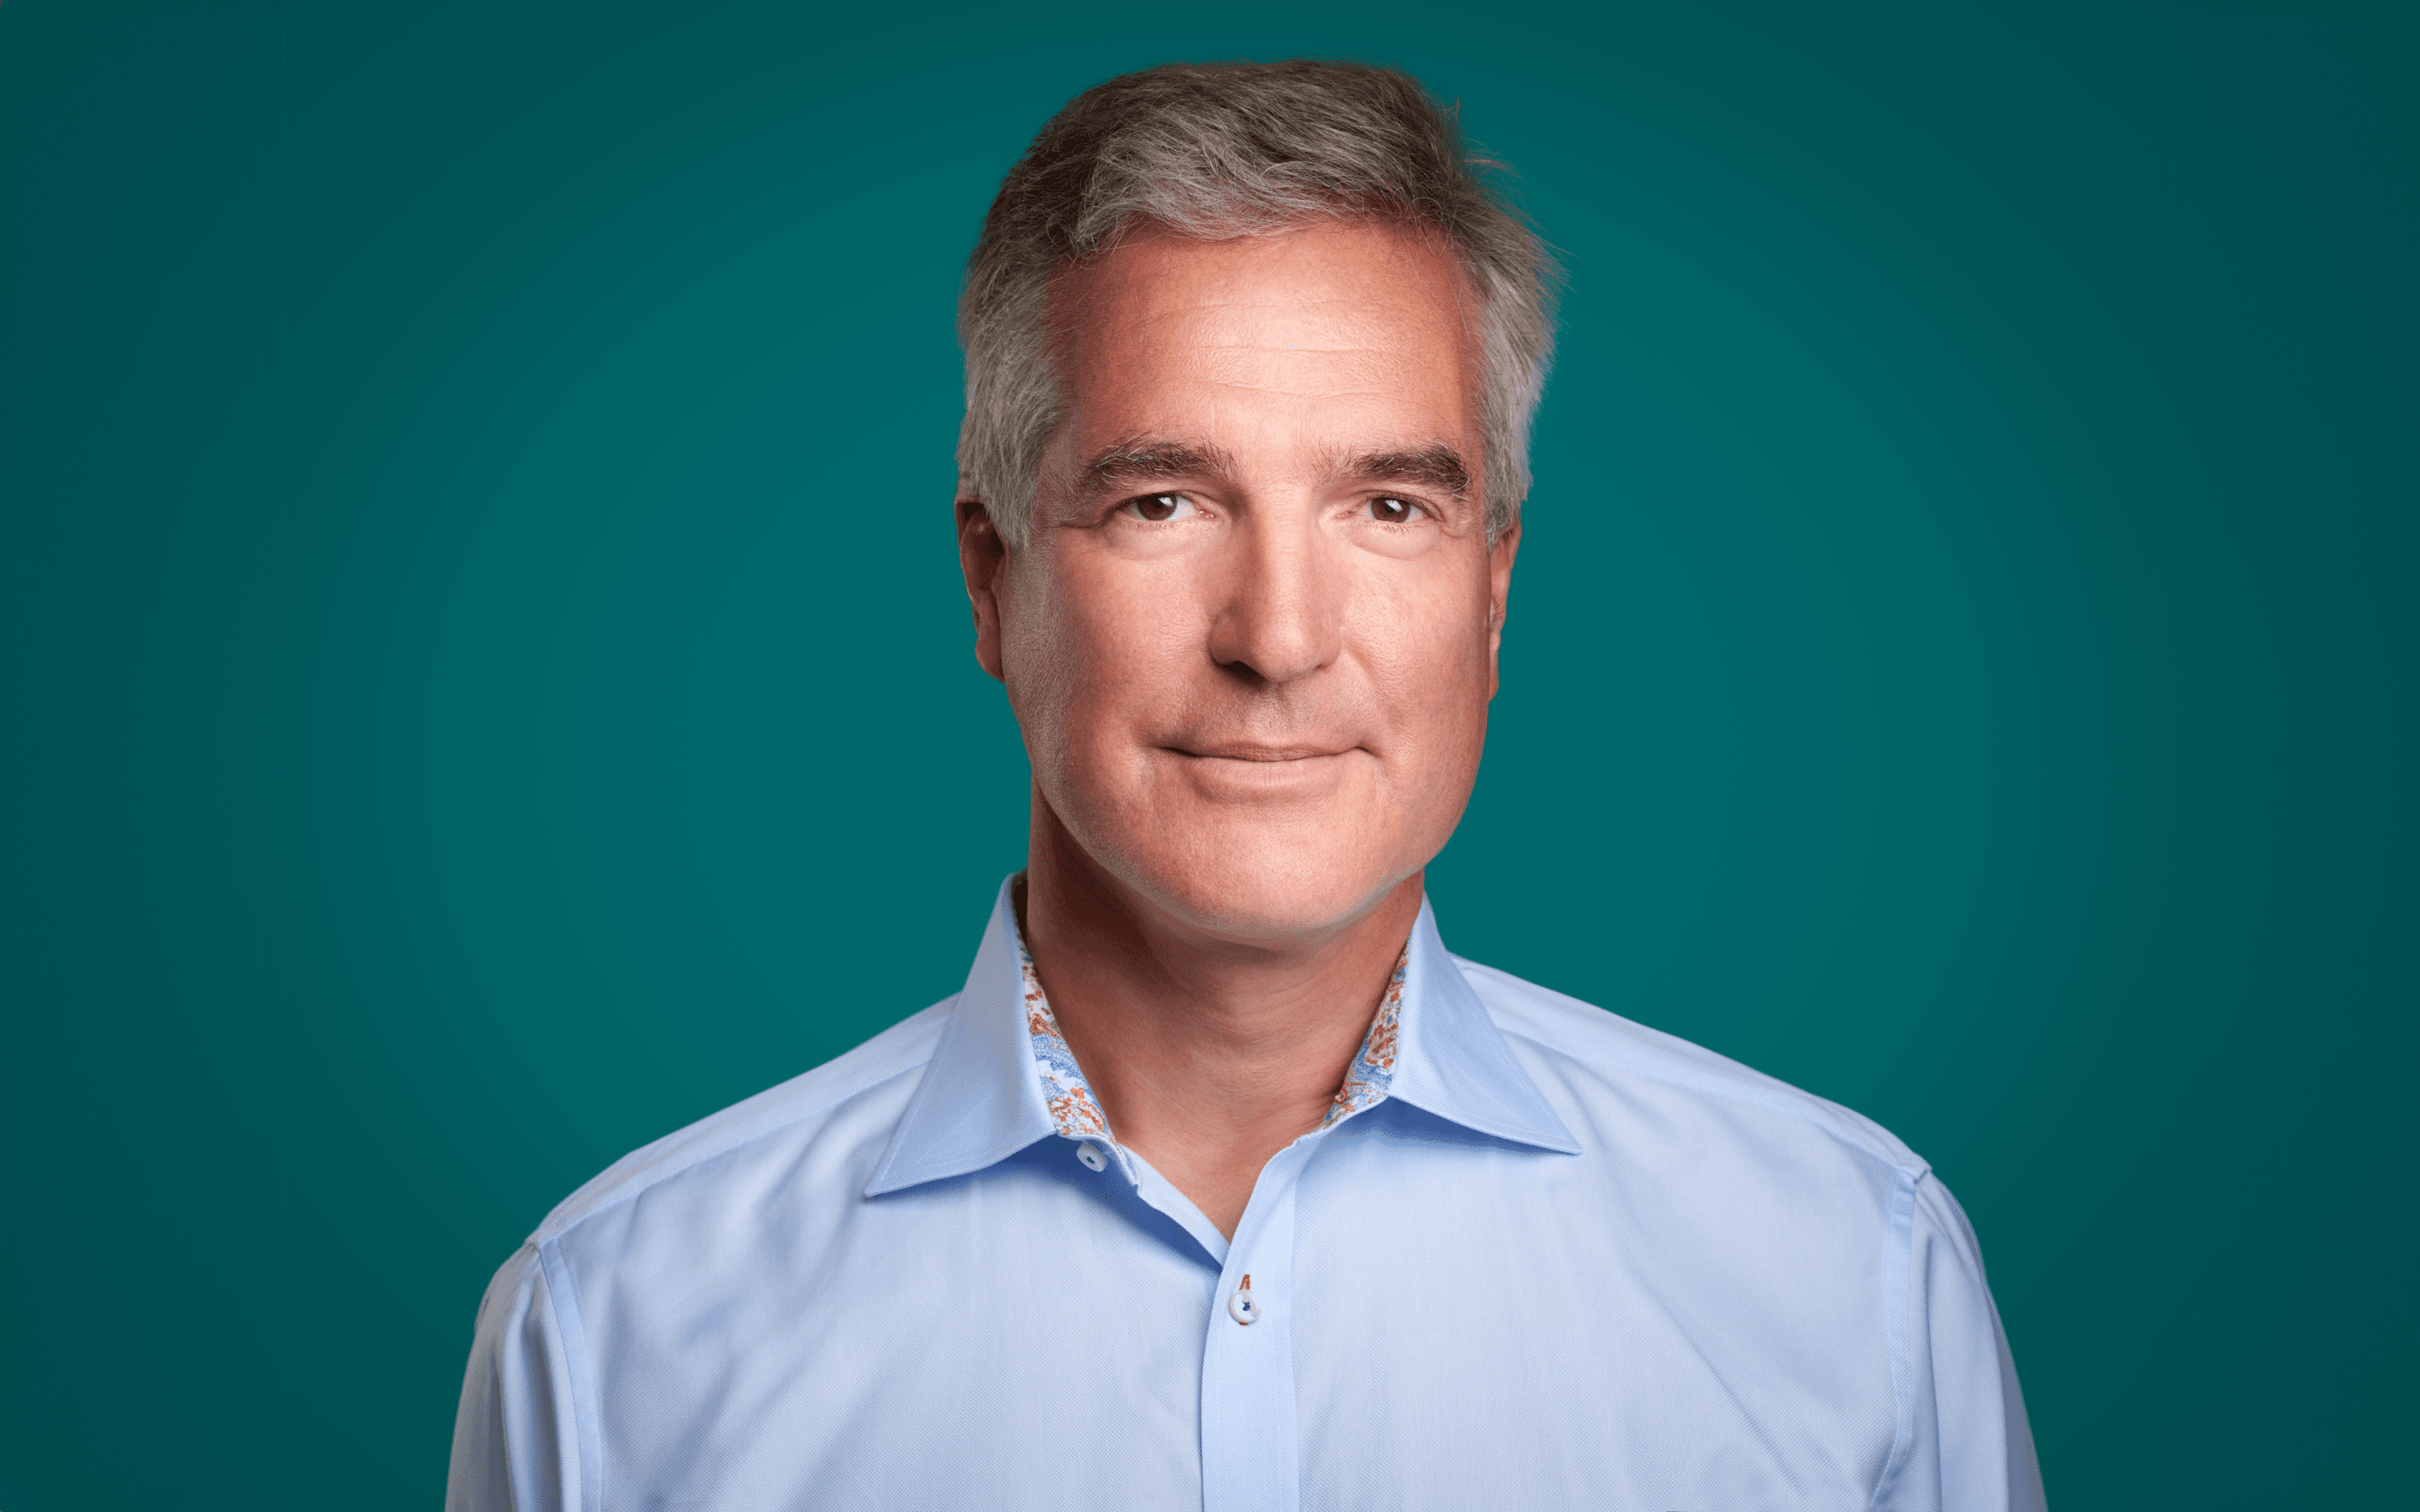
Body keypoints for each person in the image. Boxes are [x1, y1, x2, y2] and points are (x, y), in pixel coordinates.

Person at [447, 59, 2043, 1512]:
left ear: (1493, 593)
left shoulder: (1851, 1270)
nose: (1277, 637)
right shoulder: (614, 1336)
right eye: (1160, 500)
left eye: (1389, 506)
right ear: (991, 582)